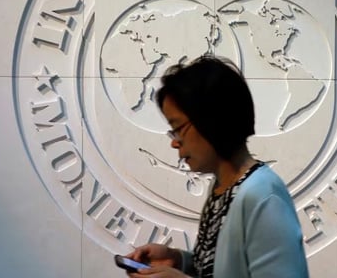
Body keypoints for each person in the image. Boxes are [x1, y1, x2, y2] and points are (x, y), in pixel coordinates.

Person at [126, 55, 309, 278]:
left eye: (178, 128)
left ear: (211, 120)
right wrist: (178, 260)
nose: (174, 141)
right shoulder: (224, 186)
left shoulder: (263, 196)